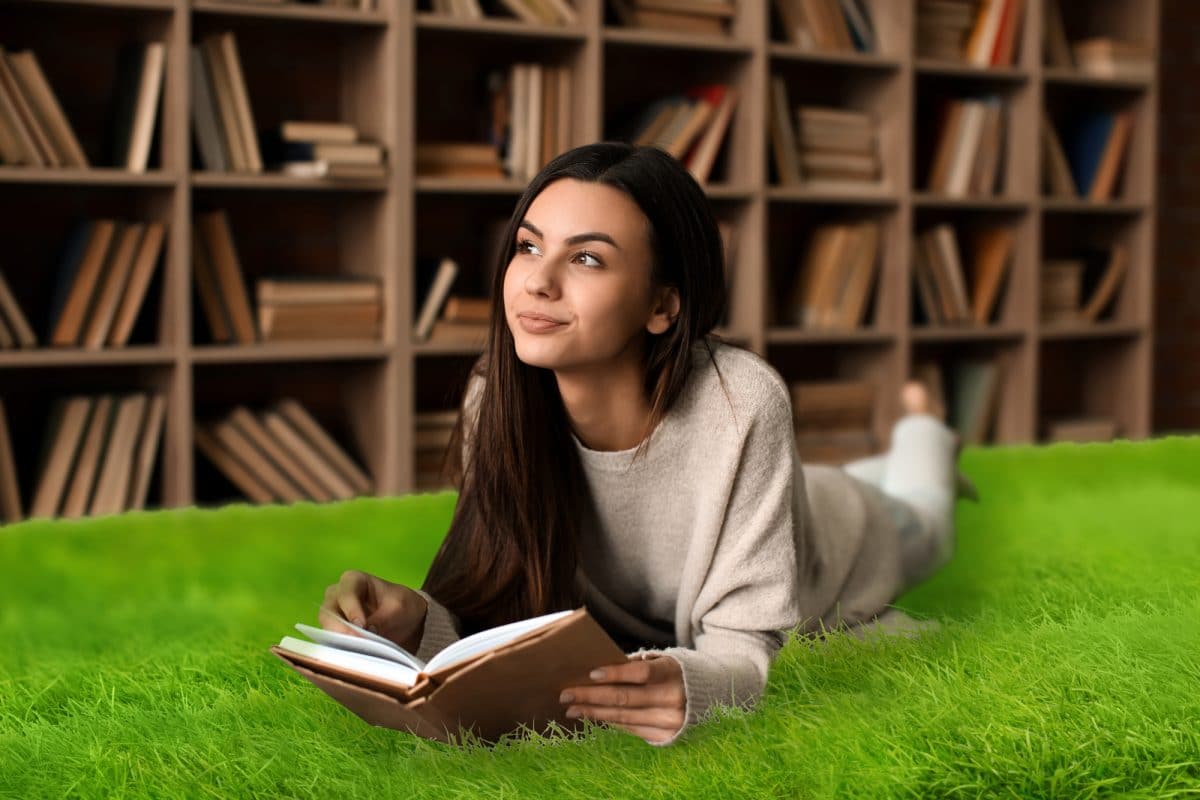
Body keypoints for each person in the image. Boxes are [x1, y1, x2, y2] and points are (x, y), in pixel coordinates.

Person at [319, 142, 974, 746]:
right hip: (790, 493)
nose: (537, 283)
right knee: (850, 480)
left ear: (663, 305)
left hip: (839, 542)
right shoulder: (497, 398)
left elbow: (747, 647)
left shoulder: (743, 401)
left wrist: (696, 684)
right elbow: (501, 596)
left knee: (925, 517)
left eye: (586, 258)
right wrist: (415, 621)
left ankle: (924, 427)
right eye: (527, 247)